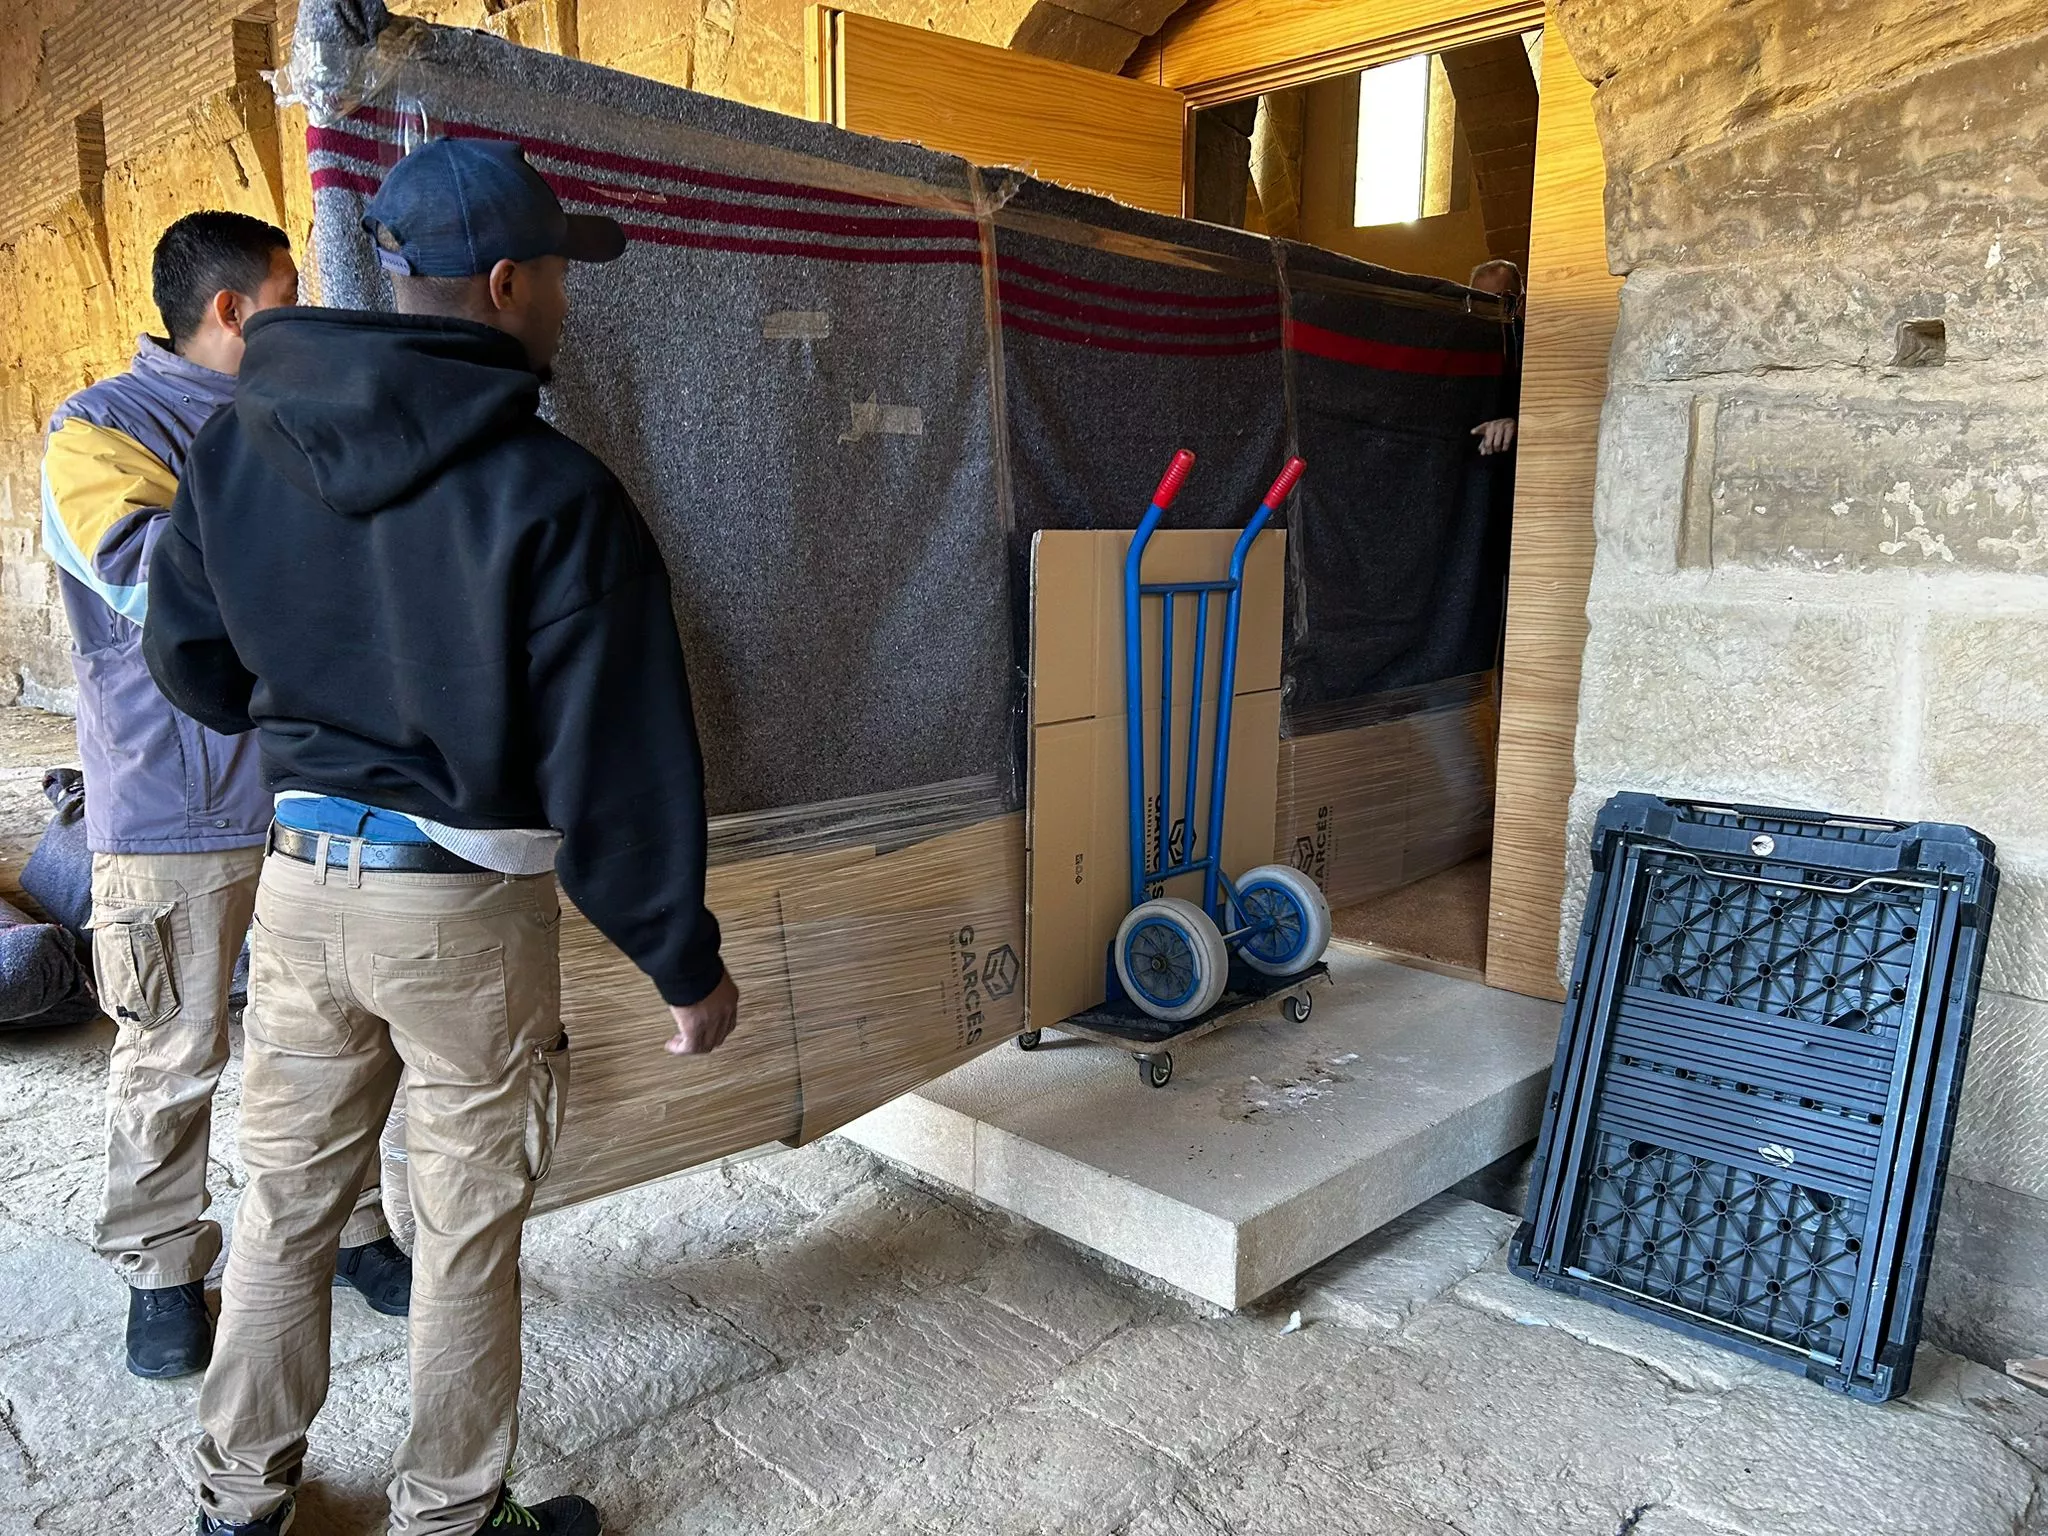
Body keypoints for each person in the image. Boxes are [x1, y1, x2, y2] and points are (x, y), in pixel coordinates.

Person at [144, 139, 740, 1536]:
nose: (568, 305)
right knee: (465, 1226)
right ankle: (449, 1518)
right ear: (509, 282)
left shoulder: (241, 448)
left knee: (286, 1205)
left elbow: (188, 657)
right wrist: (681, 961)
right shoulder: (556, 493)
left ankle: (236, 1504)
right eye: (560, 278)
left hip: (302, 886)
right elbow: (617, 761)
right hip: (460, 911)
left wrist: (305, 726)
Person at [39, 211, 412, 1383]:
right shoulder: (98, 429)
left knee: (334, 1036)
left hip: (315, 792)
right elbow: (156, 582)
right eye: (289, 294)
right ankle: (161, 1265)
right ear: (234, 309)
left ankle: (349, 1224)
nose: (305, 314)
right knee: (172, 1047)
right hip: (177, 802)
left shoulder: (295, 416)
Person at [1468, 257, 1524, 457]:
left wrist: (1516, 424)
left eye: (1498, 299)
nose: (1486, 308)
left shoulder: (1534, 348)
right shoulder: (1462, 346)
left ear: (1519, 302)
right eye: (1478, 299)